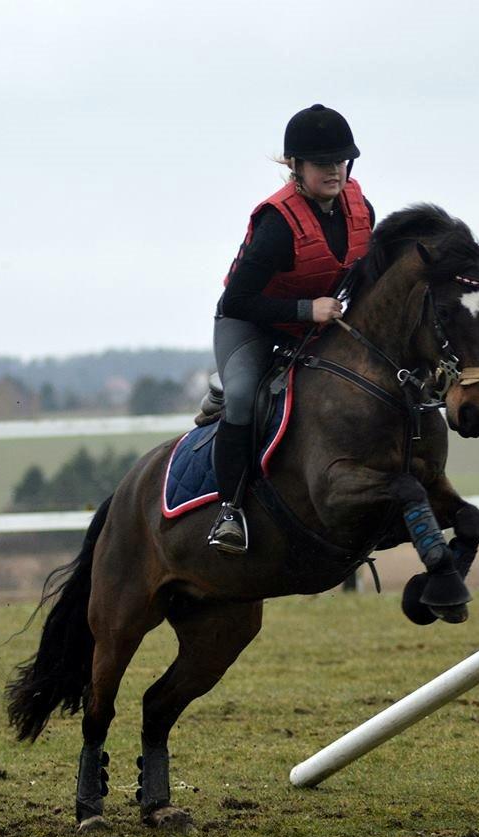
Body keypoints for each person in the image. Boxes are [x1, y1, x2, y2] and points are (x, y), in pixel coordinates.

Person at [209, 104, 375, 555]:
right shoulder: (277, 224)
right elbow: (237, 300)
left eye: (341, 162)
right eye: (323, 164)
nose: (334, 171)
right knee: (243, 393)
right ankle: (229, 512)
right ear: (295, 167)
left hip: (312, 327)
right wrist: (307, 309)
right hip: (250, 325)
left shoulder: (362, 211)